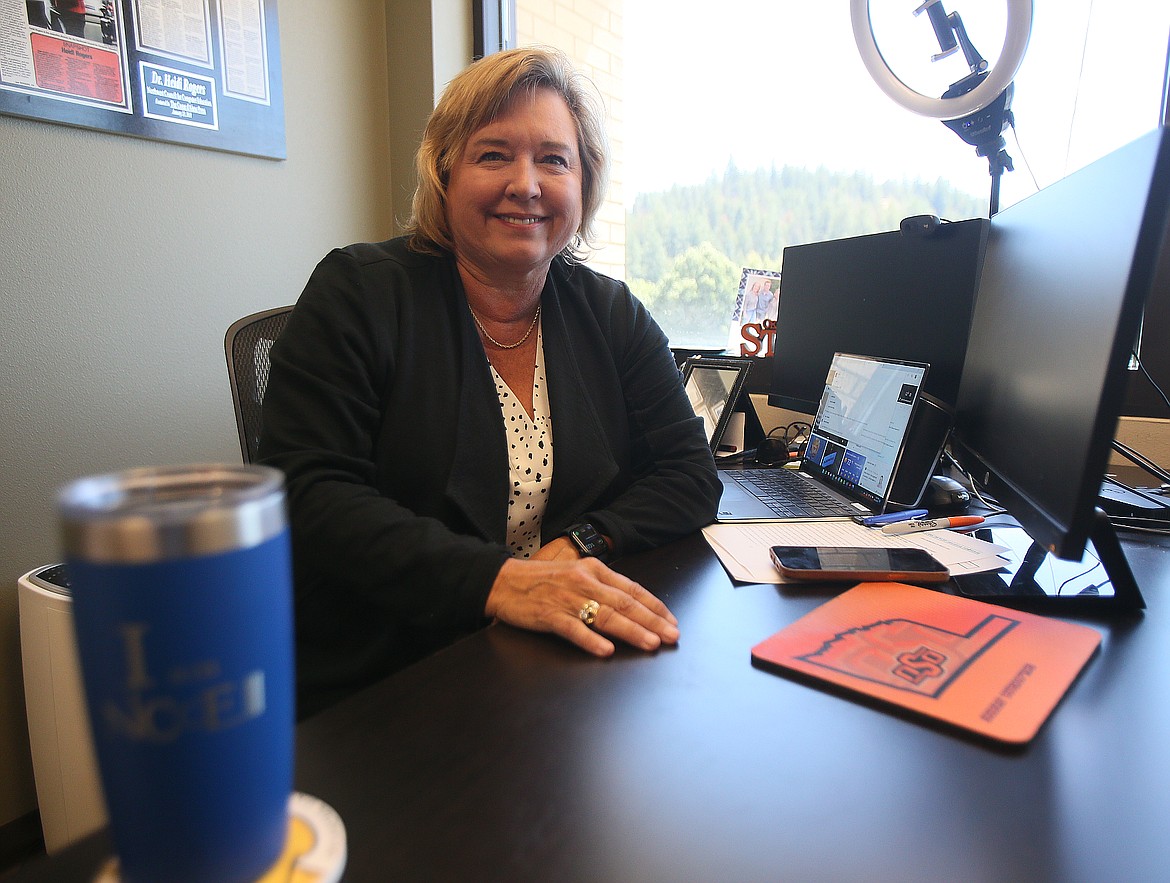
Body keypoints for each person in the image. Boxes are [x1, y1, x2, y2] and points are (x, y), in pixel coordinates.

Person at [259, 47, 721, 718]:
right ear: (445, 174)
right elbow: (306, 491)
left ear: (583, 184)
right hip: (386, 674)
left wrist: (579, 546)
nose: (527, 184)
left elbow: (690, 474)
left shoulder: (611, 312)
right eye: (494, 155)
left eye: (554, 160)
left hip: (550, 663)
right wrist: (500, 582)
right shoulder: (357, 292)